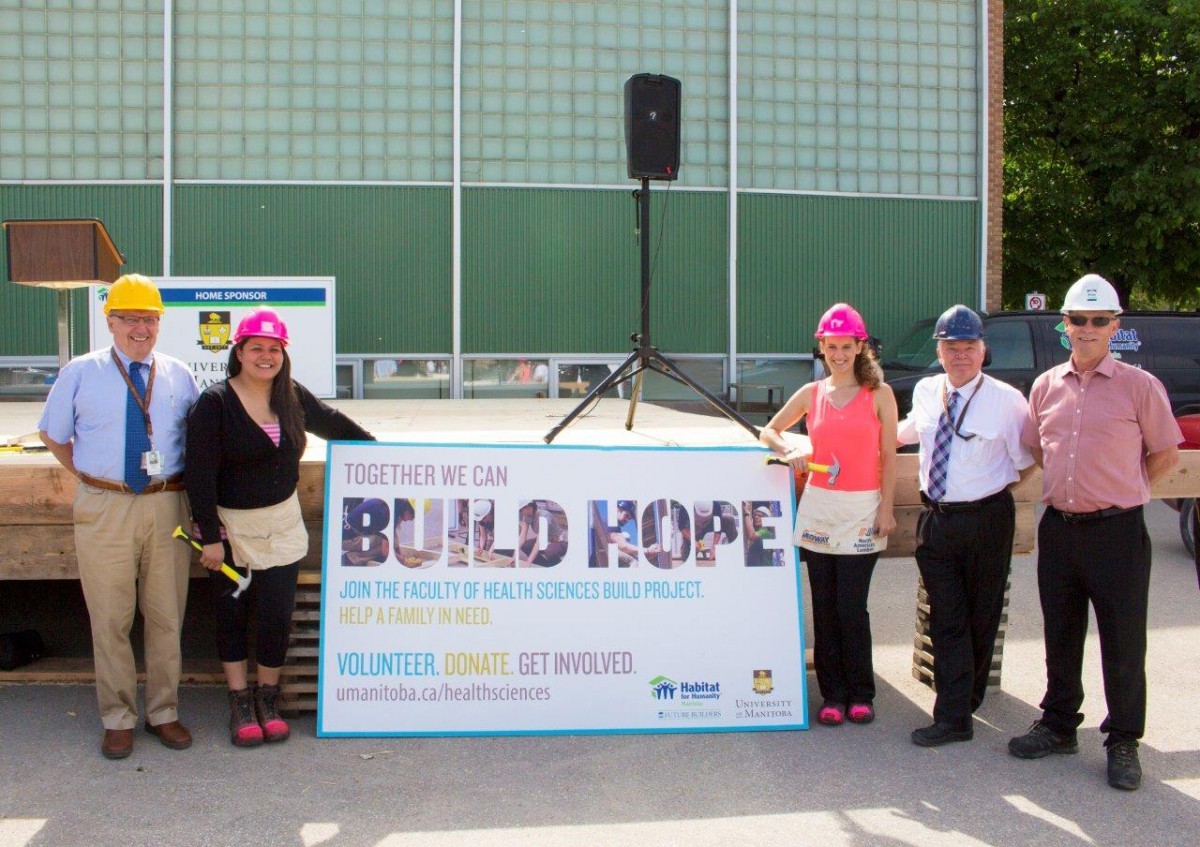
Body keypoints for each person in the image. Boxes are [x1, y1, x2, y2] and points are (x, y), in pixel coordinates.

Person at [1009, 274, 1181, 791]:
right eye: (1077, 319)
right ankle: (1060, 724)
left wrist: (1125, 488)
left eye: (1098, 320)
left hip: (1118, 532)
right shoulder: (1044, 386)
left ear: (1114, 326)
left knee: (1123, 641)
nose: (1087, 328)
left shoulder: (1140, 386)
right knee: (1059, 634)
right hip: (1060, 529)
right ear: (1064, 325)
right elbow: (1036, 447)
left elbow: (1167, 453)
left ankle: (1123, 739)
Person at [184, 308, 375, 748]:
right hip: (231, 531)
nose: (266, 356)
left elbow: (337, 426)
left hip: (284, 525)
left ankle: (268, 698)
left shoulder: (292, 396)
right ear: (239, 351)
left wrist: (382, 455)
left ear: (283, 354)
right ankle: (239, 701)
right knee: (232, 615)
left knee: (275, 615)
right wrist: (209, 536)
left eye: (274, 349)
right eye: (257, 348)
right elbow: (199, 474)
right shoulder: (214, 403)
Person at [38, 274, 200, 759]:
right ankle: (117, 717)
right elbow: (53, 434)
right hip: (104, 506)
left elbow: (195, 443)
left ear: (159, 324)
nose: (140, 328)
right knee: (110, 617)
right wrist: (94, 477)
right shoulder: (80, 373)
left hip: (167, 502)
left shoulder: (178, 374)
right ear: (109, 321)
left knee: (167, 614)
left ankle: (164, 712)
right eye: (130, 318)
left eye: (149, 319)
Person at [897, 305, 1035, 747]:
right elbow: (904, 433)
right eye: (951, 348)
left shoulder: (1007, 400)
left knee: (981, 614)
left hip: (987, 519)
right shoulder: (925, 391)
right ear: (938, 351)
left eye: (969, 347)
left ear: (983, 351)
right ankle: (955, 716)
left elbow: (1028, 462)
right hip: (936, 519)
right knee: (948, 616)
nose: (961, 356)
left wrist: (994, 493)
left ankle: (965, 697)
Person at [760, 303, 897, 726]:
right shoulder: (811, 394)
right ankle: (833, 695)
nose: (838, 354)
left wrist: (887, 510)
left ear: (860, 347)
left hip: (862, 510)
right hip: (819, 510)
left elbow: (889, 457)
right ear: (821, 348)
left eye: (846, 346)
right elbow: (769, 430)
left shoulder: (880, 395)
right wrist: (791, 450)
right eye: (831, 346)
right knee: (823, 605)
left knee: (851, 606)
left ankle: (861, 693)